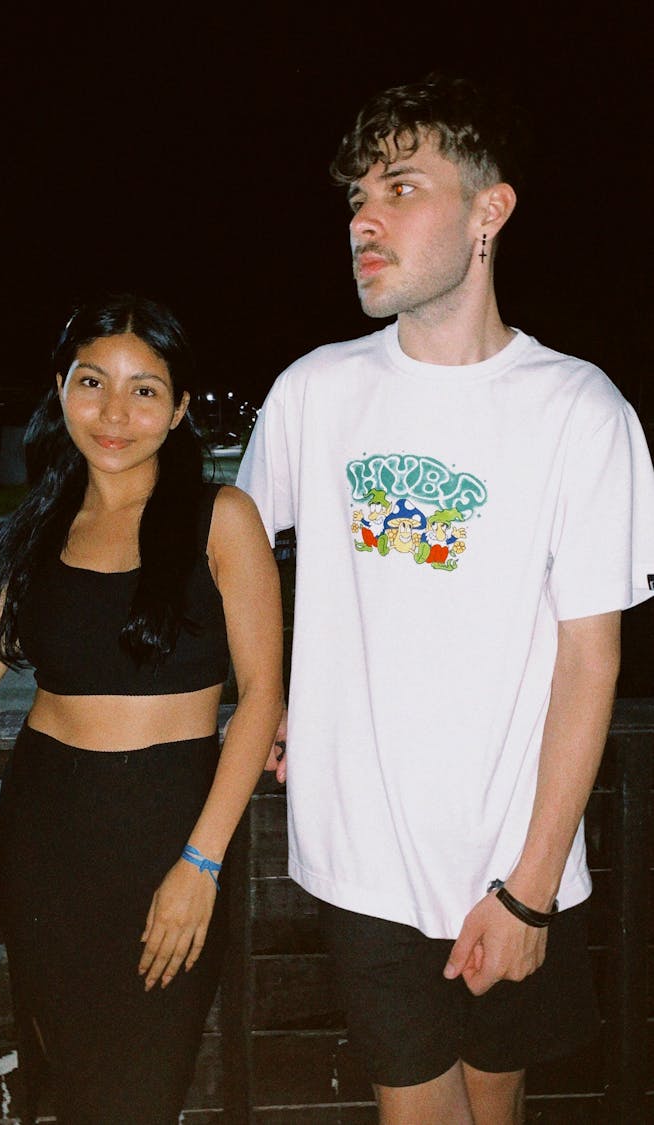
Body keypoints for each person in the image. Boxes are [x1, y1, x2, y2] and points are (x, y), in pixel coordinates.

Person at [237, 75, 654, 1124]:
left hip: (514, 859)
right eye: (354, 198)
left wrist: (529, 889)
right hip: (364, 859)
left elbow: (590, 661)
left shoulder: (580, 410)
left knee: (494, 1111)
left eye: (400, 186)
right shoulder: (314, 392)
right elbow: (228, 563)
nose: (362, 219)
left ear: (489, 211)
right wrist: (267, 686)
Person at [0, 294, 284, 1125]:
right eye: (92, 382)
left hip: (170, 838)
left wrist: (202, 863)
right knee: (70, 1087)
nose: (115, 412)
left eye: (145, 389)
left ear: (181, 407)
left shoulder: (221, 520)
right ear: (60, 389)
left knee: (141, 1091)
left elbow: (261, 699)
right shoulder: (39, 528)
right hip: (45, 840)